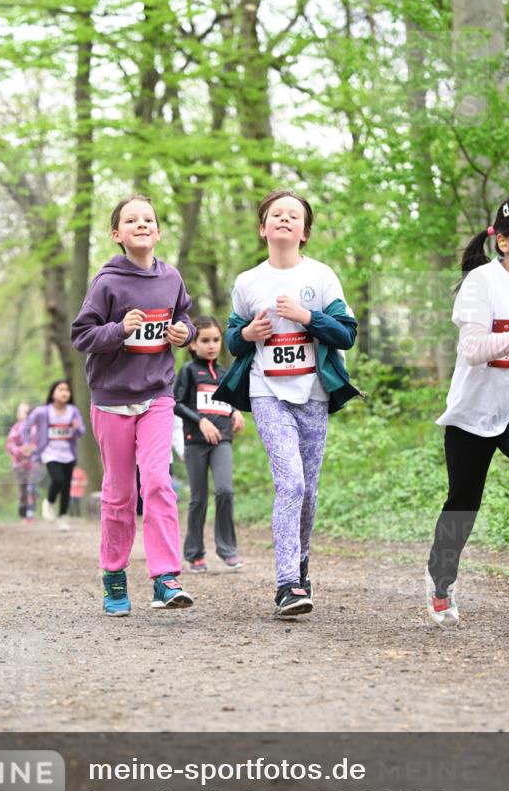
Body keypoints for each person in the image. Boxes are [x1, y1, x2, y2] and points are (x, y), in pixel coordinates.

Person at [214, 189, 361, 616]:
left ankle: (299, 567)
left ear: (304, 231)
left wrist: (307, 317)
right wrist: (246, 336)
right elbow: (230, 340)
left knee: (309, 492)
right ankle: (286, 585)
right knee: (291, 484)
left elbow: (347, 333)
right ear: (262, 228)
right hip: (267, 392)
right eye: (275, 214)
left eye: (293, 215)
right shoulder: (248, 282)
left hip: (313, 394)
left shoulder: (321, 277)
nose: (283, 219)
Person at [426, 194, 509, 628]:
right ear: (502, 241)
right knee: (463, 501)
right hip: (472, 411)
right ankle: (441, 582)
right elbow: (471, 352)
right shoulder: (481, 284)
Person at [71, 194, 196, 616]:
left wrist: (183, 332)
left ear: (158, 231)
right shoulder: (107, 283)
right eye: (131, 220)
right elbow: (82, 335)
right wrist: (117, 330)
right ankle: (114, 576)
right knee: (120, 494)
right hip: (112, 400)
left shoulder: (171, 278)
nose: (141, 225)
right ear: (117, 235)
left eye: (148, 219)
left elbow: (185, 317)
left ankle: (166, 577)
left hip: (158, 395)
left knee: (158, 481)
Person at [174, 315, 245, 572]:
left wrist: (236, 412)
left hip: (222, 441)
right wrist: (201, 421)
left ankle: (227, 549)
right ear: (193, 344)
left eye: (216, 340)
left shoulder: (225, 373)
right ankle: (194, 554)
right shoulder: (188, 372)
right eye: (205, 340)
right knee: (198, 498)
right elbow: (176, 403)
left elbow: (230, 399)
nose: (211, 345)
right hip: (196, 442)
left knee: (225, 490)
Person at [23, 381, 86, 532]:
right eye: (61, 389)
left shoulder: (73, 411)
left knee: (66, 487)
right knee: (58, 479)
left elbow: (81, 431)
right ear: (53, 393)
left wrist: (77, 429)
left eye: (67, 390)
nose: (64, 393)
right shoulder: (43, 411)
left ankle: (63, 517)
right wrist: (28, 443)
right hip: (49, 452)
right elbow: (26, 426)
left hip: (68, 453)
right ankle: (50, 502)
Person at [5, 402, 39, 522]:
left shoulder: (36, 428)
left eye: (26, 411)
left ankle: (30, 513)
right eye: (21, 411)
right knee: (23, 489)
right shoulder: (16, 428)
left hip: (33, 463)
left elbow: (41, 442)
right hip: (19, 465)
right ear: (18, 414)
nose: (24, 414)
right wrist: (20, 450)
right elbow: (9, 445)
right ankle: (23, 509)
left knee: (31, 487)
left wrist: (33, 449)